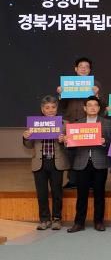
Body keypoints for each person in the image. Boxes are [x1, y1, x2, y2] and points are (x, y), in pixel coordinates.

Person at [22, 95, 69, 231]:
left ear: (57, 108)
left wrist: (64, 140)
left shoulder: (64, 124)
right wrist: (26, 137)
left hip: (56, 162)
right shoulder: (35, 123)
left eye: (53, 107)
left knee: (57, 193)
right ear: (42, 109)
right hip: (39, 162)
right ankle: (44, 219)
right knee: (41, 193)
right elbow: (29, 145)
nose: (50, 110)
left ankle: (57, 219)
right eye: (47, 108)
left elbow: (70, 146)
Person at [66, 96, 111, 232]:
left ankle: (99, 222)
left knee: (99, 194)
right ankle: (79, 223)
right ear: (85, 108)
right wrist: (68, 141)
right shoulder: (77, 124)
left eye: (95, 105)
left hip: (100, 163)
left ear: (99, 108)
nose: (92, 107)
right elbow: (71, 148)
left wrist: (104, 142)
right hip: (81, 163)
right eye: (89, 105)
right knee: (81, 195)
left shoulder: (107, 123)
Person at [57, 56, 103, 189]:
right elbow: (62, 106)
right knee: (70, 152)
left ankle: (90, 181)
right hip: (70, 122)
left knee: (88, 153)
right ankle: (72, 180)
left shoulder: (95, 84)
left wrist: (97, 95)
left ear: (90, 70)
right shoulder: (67, 84)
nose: (83, 69)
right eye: (81, 67)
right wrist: (60, 94)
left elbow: (102, 105)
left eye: (86, 67)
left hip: (88, 123)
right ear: (76, 69)